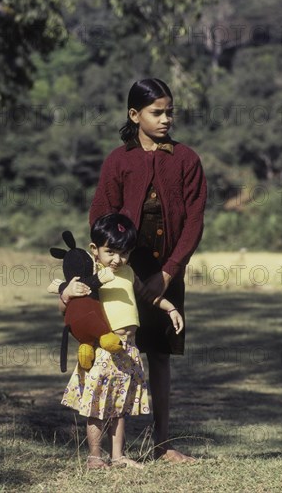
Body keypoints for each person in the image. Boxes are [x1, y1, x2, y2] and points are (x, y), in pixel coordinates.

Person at [89, 78, 207, 462]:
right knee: (116, 353)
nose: (166, 119)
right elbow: (101, 213)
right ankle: (104, 449)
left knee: (158, 355)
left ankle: (162, 444)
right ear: (134, 115)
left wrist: (168, 273)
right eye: (157, 112)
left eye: (169, 111)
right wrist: (120, 268)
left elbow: (193, 223)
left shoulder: (186, 160)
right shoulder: (118, 161)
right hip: (125, 270)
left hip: (169, 270)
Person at [60, 213, 184, 469]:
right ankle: (95, 456)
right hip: (101, 350)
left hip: (128, 351)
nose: (118, 259)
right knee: (96, 406)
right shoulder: (89, 274)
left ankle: (118, 456)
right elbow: (68, 307)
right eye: (111, 252)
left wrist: (170, 307)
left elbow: (148, 295)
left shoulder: (128, 272)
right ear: (95, 249)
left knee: (119, 406)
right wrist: (66, 294)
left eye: (124, 253)